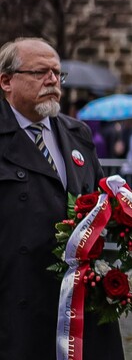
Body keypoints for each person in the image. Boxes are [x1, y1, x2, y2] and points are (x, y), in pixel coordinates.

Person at [0, 37, 124, 359]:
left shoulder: (77, 133)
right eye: (40, 72)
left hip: (78, 300)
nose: (53, 80)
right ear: (6, 81)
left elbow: (99, 203)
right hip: (17, 299)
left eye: (57, 73)